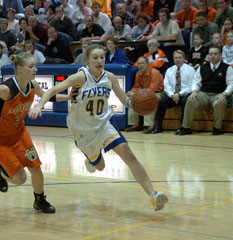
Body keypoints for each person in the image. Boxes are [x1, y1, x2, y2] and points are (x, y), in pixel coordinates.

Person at [29, 44, 168, 212]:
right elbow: (53, 90)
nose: (99, 60)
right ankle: (91, 160)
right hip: (82, 130)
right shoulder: (80, 77)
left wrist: (138, 102)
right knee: (100, 166)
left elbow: (125, 101)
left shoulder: (110, 77)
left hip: (103, 123)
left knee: (128, 153)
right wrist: (39, 106)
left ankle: (153, 195)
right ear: (87, 60)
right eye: (95, 57)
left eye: (102, 57)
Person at [0, 52, 68, 213]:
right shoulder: (5, 89)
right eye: (31, 67)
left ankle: (40, 200)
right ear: (19, 69)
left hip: (19, 133)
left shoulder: (32, 85)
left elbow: (47, 97)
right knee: (20, 179)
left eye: (35, 66)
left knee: (36, 168)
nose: (35, 70)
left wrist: (69, 97)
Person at [179, 46, 233, 135]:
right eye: (211, 54)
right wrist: (194, 91)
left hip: (219, 94)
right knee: (190, 99)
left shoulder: (227, 68)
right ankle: (185, 127)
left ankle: (217, 128)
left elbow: (232, 84)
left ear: (220, 55)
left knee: (220, 102)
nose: (213, 56)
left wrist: (225, 94)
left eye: (215, 54)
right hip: (204, 94)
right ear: (208, 56)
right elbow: (196, 82)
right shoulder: (202, 67)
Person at [152, 50, 195, 134]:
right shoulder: (169, 70)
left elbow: (191, 86)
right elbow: (166, 85)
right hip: (172, 95)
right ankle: (158, 126)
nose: (177, 59)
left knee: (185, 101)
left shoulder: (190, 70)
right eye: (175, 58)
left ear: (184, 59)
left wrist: (179, 94)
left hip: (184, 94)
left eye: (179, 57)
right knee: (162, 101)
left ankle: (183, 127)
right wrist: (172, 95)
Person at [125, 56, 164, 133]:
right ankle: (134, 124)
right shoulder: (138, 74)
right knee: (131, 100)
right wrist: (131, 93)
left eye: (143, 63)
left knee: (148, 100)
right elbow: (136, 86)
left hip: (157, 93)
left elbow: (151, 90)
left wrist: (137, 94)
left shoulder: (155, 73)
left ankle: (149, 125)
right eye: (139, 63)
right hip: (144, 93)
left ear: (148, 64)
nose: (141, 65)